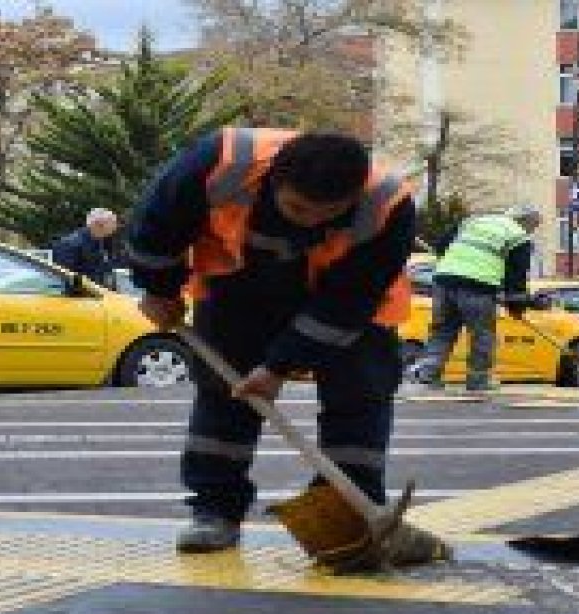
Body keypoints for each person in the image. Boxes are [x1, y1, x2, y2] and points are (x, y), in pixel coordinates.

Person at [125, 128, 415, 553]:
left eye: (328, 212)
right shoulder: (217, 165)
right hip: (238, 285)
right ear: (273, 179)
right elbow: (155, 230)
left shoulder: (388, 204)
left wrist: (279, 365)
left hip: (346, 302)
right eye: (298, 208)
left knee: (360, 396)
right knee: (226, 397)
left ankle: (350, 513)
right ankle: (216, 509)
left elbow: (349, 300)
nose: (311, 220)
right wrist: (159, 289)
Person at [408, 205, 539, 392]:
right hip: (478, 286)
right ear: (527, 223)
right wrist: (516, 305)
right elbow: (516, 276)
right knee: (482, 335)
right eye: (533, 228)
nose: (531, 232)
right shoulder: (519, 237)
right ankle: (478, 381)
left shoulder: (474, 221)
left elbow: (441, 245)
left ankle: (426, 375)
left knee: (442, 331)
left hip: (443, 281)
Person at [52, 208, 121, 288]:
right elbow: (65, 278)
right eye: (113, 222)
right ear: (99, 224)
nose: (116, 226)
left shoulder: (98, 241)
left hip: (96, 295)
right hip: (78, 297)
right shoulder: (71, 244)